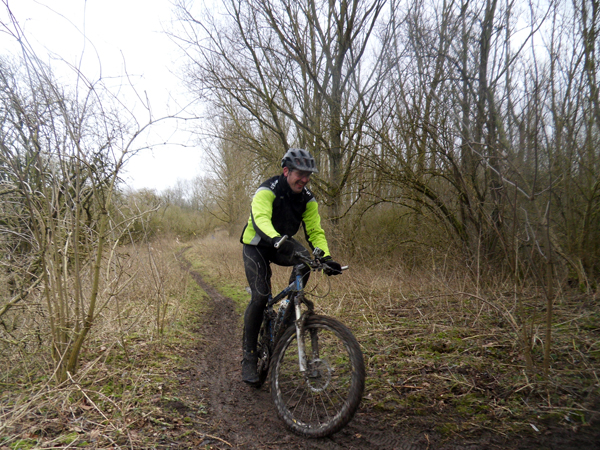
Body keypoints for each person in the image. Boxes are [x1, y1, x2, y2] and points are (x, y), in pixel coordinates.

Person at [239, 148, 342, 385]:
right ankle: (249, 357)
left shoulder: (308, 199)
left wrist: (326, 258)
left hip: (281, 242)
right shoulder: (267, 190)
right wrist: (276, 239)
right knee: (260, 296)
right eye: (300, 174)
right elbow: (260, 219)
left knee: (306, 260)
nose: (304, 179)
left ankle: (287, 311)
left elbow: (315, 231)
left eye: (308, 175)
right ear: (286, 171)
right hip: (257, 244)